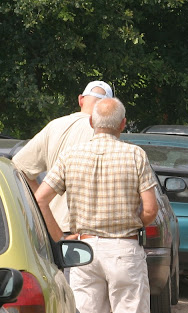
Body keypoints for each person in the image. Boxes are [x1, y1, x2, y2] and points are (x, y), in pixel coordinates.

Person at [35, 97, 160, 313]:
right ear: (123, 123)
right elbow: (150, 209)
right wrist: (135, 222)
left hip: (84, 250)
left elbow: (41, 198)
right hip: (123, 247)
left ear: (91, 122)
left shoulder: (71, 155)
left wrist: (60, 236)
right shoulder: (135, 155)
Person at [13, 80, 114, 234]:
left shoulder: (54, 127)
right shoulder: (107, 133)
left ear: (81, 99)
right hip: (92, 232)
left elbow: (20, 166)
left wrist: (42, 204)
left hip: (54, 229)